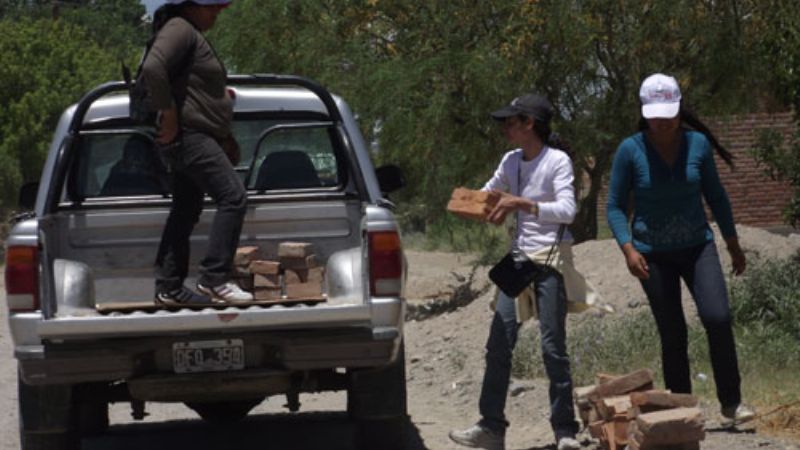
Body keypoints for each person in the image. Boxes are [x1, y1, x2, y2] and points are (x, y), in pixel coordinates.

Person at [606, 73, 755, 426]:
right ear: (644, 112)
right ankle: (681, 410)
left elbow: (716, 196)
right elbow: (613, 205)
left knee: (718, 317)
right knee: (672, 331)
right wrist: (627, 249)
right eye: (655, 114)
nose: (662, 121)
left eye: (669, 114)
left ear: (679, 109)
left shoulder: (698, 145)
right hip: (651, 254)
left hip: (697, 247)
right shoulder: (630, 150)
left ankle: (732, 403)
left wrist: (733, 244)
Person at [449, 94, 582, 450]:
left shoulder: (558, 162)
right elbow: (489, 194)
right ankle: (491, 427)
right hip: (520, 260)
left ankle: (565, 430)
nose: (505, 127)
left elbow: (568, 211)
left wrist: (519, 203)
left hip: (551, 259)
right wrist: (469, 202)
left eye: (512, 121)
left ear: (530, 124)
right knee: (498, 344)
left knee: (553, 346)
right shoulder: (510, 161)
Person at [141, 0, 253, 304]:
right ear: (189, 6)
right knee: (233, 197)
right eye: (211, 7)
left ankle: (169, 287)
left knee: (186, 209)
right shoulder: (180, 28)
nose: (217, 12)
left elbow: (202, 97)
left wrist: (224, 137)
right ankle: (215, 279)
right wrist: (170, 113)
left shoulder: (189, 31)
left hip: (198, 136)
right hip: (191, 136)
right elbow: (153, 66)